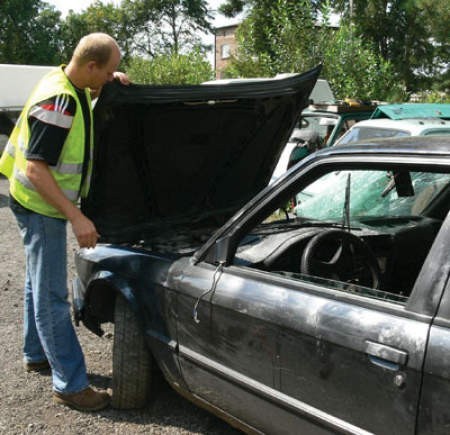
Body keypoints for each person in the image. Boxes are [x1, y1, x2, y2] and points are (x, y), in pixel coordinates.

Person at [0, 33, 129, 411]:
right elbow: (37, 169)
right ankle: (70, 384)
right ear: (90, 66)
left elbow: (79, 102)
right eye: (106, 72)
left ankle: (36, 353)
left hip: (30, 201)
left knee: (35, 283)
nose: (109, 77)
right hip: (42, 206)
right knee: (52, 296)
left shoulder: (66, 83)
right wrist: (76, 217)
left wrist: (108, 86)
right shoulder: (60, 102)